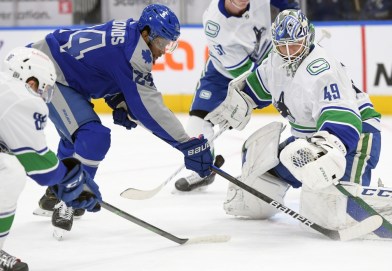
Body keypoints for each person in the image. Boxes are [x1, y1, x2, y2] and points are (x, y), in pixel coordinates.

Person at [28, 4, 213, 229]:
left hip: (50, 67)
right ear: (146, 33)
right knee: (93, 136)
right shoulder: (135, 53)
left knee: (74, 136)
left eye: (169, 44)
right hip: (45, 74)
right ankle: (70, 197)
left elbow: (99, 67)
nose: (164, 50)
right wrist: (185, 143)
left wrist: (118, 100)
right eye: (162, 43)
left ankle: (55, 193)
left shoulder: (128, 35)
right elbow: (150, 108)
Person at [205, 9, 384, 224]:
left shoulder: (322, 70)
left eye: (295, 44)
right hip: (309, 139)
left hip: (355, 137)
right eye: (283, 45)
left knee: (339, 212)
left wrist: (325, 151)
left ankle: (386, 206)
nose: (288, 51)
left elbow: (342, 119)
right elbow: (256, 89)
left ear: (308, 38)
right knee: (259, 184)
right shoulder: (275, 62)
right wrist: (239, 102)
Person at [174, 0, 300, 192]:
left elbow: (289, 4)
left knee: (299, 104)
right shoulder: (215, 24)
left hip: (268, 58)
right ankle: (203, 172)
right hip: (222, 73)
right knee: (197, 121)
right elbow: (248, 77)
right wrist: (243, 102)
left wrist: (295, 21)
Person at [0, 47, 102, 271]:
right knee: (10, 171)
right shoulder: (21, 98)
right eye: (43, 88)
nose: (41, 96)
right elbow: (40, 167)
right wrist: (74, 182)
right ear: (30, 78)